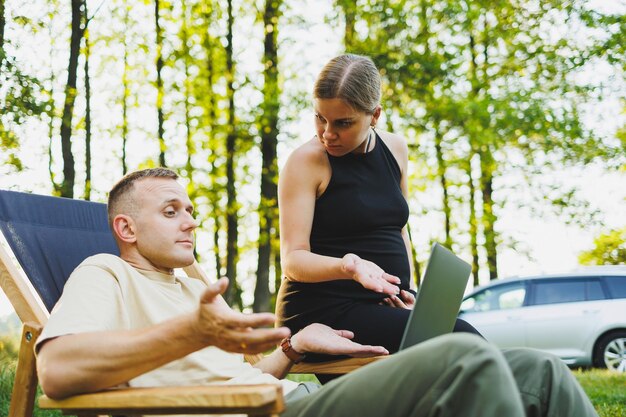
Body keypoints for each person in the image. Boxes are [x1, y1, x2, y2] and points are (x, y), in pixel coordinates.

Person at [35, 168, 599, 417]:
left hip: (287, 402)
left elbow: (245, 382)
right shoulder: (104, 272)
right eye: (170, 211)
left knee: (538, 370)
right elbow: (57, 373)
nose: (189, 222)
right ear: (126, 228)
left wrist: (296, 347)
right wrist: (191, 332)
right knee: (463, 358)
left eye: (190, 210)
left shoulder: (193, 285)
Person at [276, 54, 479, 362]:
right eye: (320, 118)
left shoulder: (395, 148)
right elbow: (293, 260)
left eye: (343, 123)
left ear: (374, 115)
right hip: (322, 314)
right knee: (463, 340)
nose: (327, 133)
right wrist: (349, 266)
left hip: (382, 308)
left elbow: (398, 228)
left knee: (457, 354)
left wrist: (407, 295)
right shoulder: (306, 161)